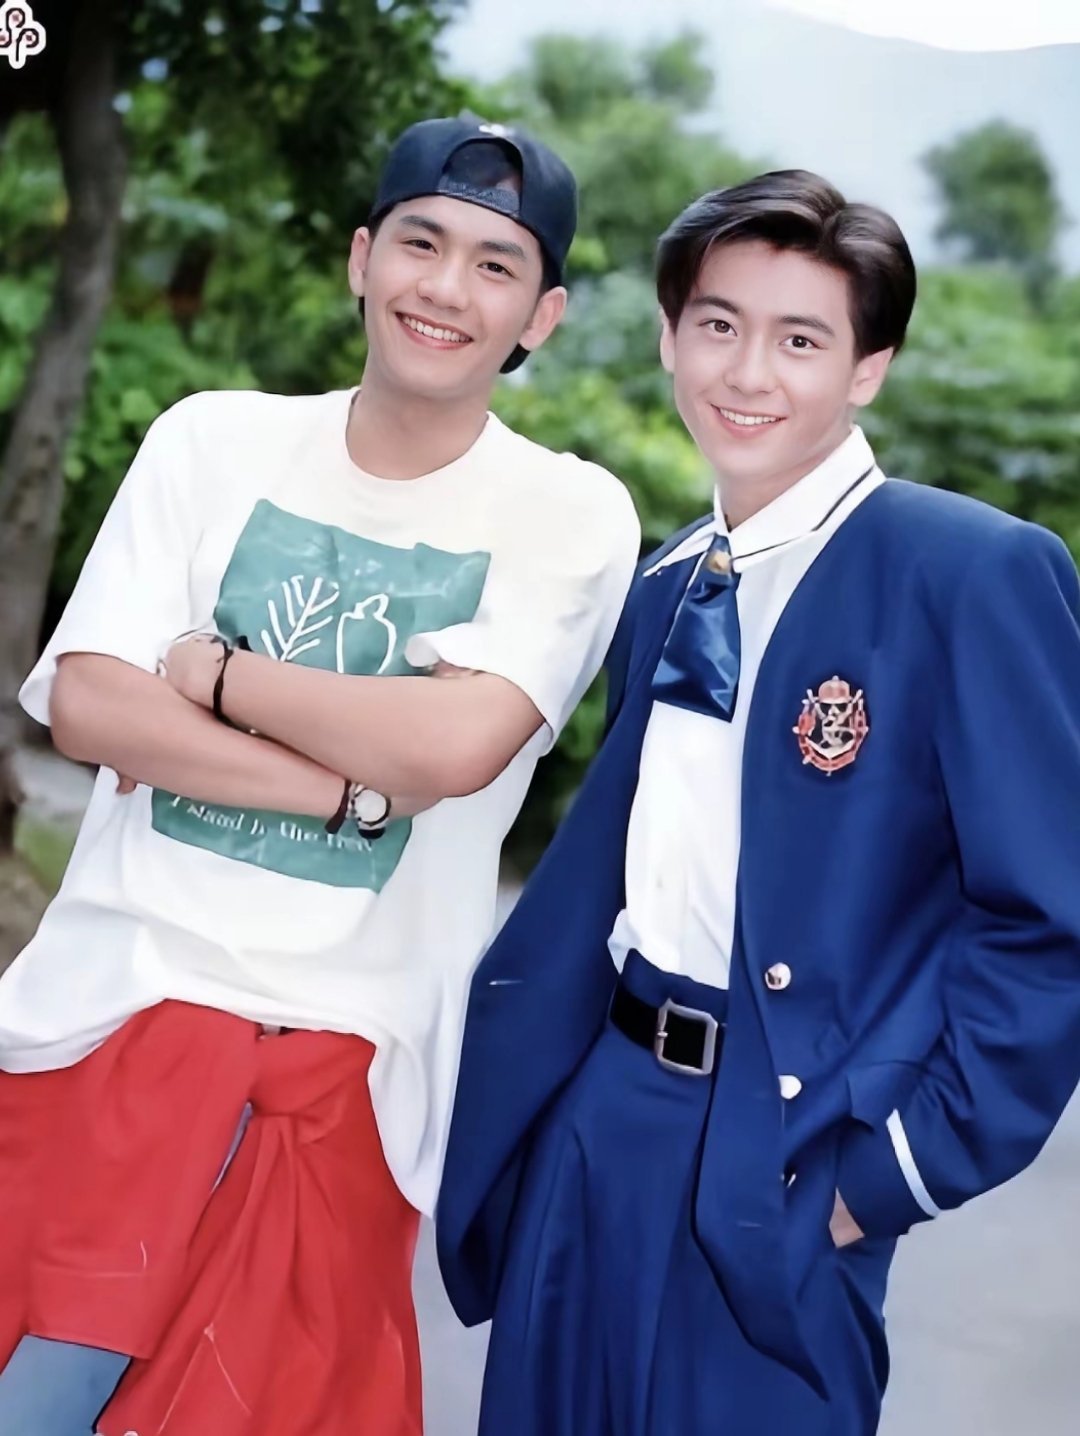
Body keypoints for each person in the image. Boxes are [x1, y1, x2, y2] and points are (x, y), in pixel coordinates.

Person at [0, 114, 639, 1436]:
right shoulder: (212, 440)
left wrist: (212, 674)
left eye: (495, 265)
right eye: (419, 242)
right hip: (103, 1016)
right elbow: (90, 700)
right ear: (360, 258)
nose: (445, 287)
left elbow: (452, 748)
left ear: (543, 315)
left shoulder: (567, 510)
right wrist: (346, 790)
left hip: (345, 1068)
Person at [437, 169, 1080, 1435]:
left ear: (868, 368)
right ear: (669, 337)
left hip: (786, 1156)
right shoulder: (669, 581)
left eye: (801, 340)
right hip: (597, 1114)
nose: (746, 371)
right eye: (719, 324)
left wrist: (886, 1175)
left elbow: (1050, 920)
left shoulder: (971, 572)